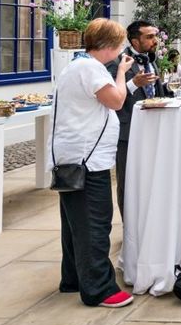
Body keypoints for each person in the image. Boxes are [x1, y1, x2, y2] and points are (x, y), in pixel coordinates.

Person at [52, 18, 135, 308]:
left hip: (74, 157)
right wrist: (122, 73)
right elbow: (116, 101)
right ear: (110, 45)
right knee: (94, 224)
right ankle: (100, 290)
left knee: (75, 224)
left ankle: (73, 278)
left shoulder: (77, 65)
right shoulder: (90, 68)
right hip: (86, 160)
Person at [105, 19, 165, 217]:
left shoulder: (151, 59)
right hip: (127, 130)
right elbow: (112, 98)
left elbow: (157, 91)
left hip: (152, 127)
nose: (154, 40)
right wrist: (133, 83)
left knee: (149, 178)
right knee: (127, 181)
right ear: (134, 41)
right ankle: (129, 227)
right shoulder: (117, 63)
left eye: (155, 36)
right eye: (149, 37)